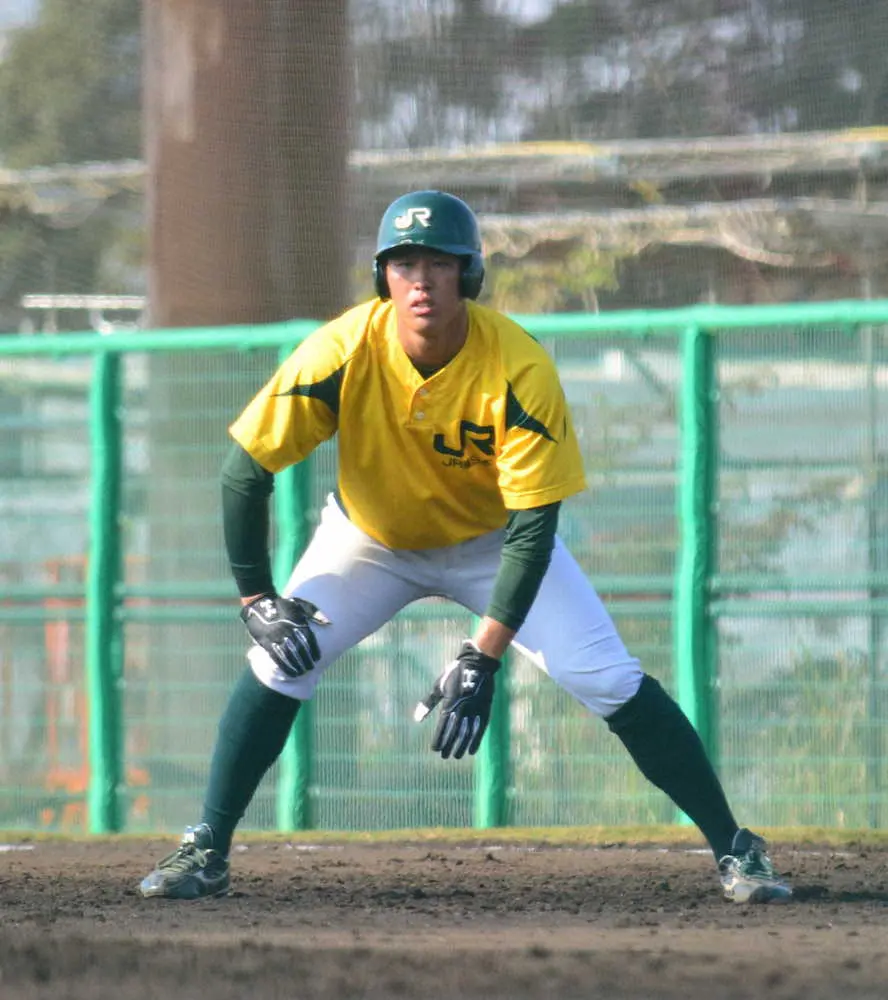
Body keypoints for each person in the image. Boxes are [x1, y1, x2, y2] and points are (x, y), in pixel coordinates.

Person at [139, 189, 791, 905]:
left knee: (605, 676)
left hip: (494, 546)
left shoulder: (518, 366)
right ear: (382, 276)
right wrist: (256, 598)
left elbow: (534, 528)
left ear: (469, 274)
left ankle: (736, 848)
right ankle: (206, 848)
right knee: (278, 659)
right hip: (370, 540)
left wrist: (484, 654)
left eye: (440, 264)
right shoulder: (341, 351)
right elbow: (245, 470)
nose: (421, 281)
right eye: (404, 264)